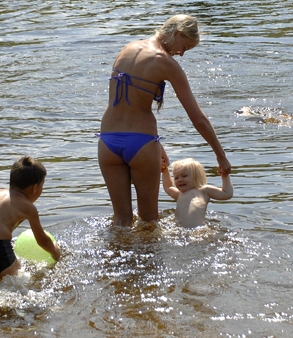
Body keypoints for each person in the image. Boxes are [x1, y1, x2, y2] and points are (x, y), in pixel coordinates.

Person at [97, 14, 232, 227]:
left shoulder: (127, 49)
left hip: (107, 141)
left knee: (121, 221)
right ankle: (147, 261)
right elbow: (198, 119)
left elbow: (127, 103)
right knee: (149, 221)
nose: (181, 54)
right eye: (184, 47)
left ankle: (114, 259)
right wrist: (220, 155)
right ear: (176, 33)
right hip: (141, 142)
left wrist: (157, 145)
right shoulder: (165, 62)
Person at [0, 156, 61, 287]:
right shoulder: (27, 207)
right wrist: (56, 252)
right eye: (42, 186)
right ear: (35, 188)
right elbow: (42, 240)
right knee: (21, 284)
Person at [162, 157, 233, 228]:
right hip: (179, 231)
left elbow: (226, 193)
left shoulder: (204, 190)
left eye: (184, 176)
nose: (180, 179)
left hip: (198, 231)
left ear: (196, 176)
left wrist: (225, 176)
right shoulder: (179, 194)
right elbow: (168, 187)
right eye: (176, 178)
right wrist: (165, 169)